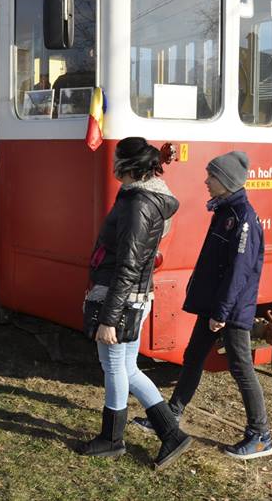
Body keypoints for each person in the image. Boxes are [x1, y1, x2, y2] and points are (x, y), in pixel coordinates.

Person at [80, 136, 191, 469]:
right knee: (127, 367)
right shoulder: (144, 198)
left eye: (116, 159)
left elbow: (128, 264)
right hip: (134, 297)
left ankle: (112, 439)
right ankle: (171, 433)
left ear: (127, 166)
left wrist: (109, 318)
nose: (112, 164)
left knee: (115, 367)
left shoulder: (137, 204)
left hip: (121, 300)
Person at [169, 150, 272, 460]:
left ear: (225, 181)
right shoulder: (226, 213)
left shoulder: (241, 220)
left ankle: (260, 435)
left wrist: (221, 313)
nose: (206, 181)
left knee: (241, 368)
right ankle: (171, 415)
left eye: (211, 176)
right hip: (217, 306)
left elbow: (238, 273)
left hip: (229, 310)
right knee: (194, 356)